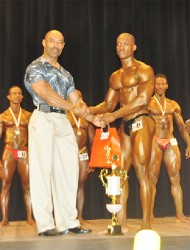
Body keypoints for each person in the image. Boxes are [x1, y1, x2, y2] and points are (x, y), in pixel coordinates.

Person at [24, 30, 99, 236]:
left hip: (63, 121)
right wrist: (73, 107)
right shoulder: (35, 67)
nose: (56, 45)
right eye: (52, 41)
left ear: (63, 46)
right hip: (44, 117)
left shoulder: (66, 74)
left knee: (69, 169)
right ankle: (46, 224)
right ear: (44, 43)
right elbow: (46, 94)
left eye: (60, 42)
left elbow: (76, 99)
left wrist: (91, 116)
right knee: (42, 171)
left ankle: (68, 221)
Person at [89, 33, 155, 231]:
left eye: (126, 44)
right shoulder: (115, 76)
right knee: (117, 174)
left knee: (142, 172)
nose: (121, 47)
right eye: (118, 44)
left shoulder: (144, 70)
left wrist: (113, 115)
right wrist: (87, 109)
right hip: (125, 125)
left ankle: (146, 225)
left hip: (142, 121)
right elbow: (108, 103)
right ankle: (120, 224)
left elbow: (142, 99)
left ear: (134, 47)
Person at [148, 74, 190, 223]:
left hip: (170, 140)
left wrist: (188, 143)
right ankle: (149, 214)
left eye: (163, 84)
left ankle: (180, 214)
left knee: (176, 178)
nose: (160, 86)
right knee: (152, 178)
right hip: (154, 140)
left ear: (167, 86)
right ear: (153, 86)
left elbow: (181, 127)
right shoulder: (148, 103)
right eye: (157, 84)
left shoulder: (173, 105)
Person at [0, 86, 35, 226]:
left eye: (19, 93)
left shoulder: (28, 115)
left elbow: (35, 137)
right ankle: (5, 219)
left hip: (24, 152)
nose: (16, 95)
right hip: (9, 151)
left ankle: (30, 218)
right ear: (8, 97)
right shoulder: (3, 116)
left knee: (27, 186)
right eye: (14, 93)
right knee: (5, 185)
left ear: (22, 97)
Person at [67, 90, 95, 225]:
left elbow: (92, 139)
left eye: (81, 96)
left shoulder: (87, 117)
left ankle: (80, 216)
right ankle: (66, 216)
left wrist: (94, 160)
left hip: (82, 152)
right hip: (68, 153)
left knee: (81, 184)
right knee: (67, 185)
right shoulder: (66, 115)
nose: (79, 98)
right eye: (76, 96)